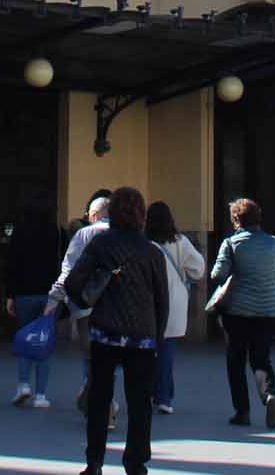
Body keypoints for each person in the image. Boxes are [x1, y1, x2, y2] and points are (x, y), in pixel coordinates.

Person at [53, 186, 168, 475]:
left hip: (105, 331)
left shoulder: (101, 245)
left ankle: (94, 462)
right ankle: (136, 462)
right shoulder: (152, 251)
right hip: (142, 335)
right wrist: (157, 335)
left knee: (99, 399)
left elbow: (74, 282)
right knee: (140, 403)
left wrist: (84, 301)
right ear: (141, 214)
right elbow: (161, 299)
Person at [209, 196, 275, 429]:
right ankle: (269, 395)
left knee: (236, 360)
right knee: (261, 358)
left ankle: (242, 411)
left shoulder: (232, 244)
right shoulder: (274, 242)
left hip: (238, 311)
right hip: (269, 310)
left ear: (236, 220)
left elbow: (217, 274)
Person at [53, 191, 112, 415]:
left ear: (95, 214)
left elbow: (68, 268)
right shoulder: (126, 235)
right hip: (117, 304)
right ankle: (102, 396)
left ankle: (97, 394)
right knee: (111, 353)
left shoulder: (84, 234)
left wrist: (55, 297)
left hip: (86, 303)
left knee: (90, 352)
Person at [146, 201, 206, 415]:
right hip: (174, 302)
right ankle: (164, 396)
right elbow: (198, 269)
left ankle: (152, 391)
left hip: (147, 301)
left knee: (146, 350)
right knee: (166, 351)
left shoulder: (144, 242)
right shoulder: (180, 241)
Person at [5, 189, 62, 408]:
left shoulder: (20, 231)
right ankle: (41, 394)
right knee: (44, 342)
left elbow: (11, 263)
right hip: (48, 294)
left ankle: (23, 384)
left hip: (24, 292)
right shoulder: (54, 231)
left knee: (25, 339)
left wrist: (10, 294)